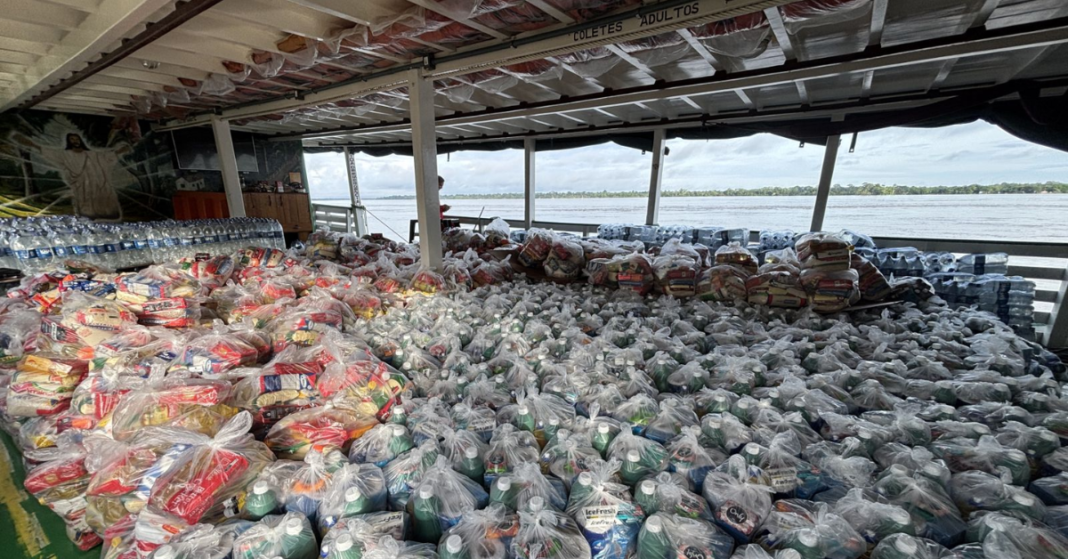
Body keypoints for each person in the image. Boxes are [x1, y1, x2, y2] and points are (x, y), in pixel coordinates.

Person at [15, 132, 130, 220]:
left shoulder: (92, 154)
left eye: (77, 139)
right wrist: (31, 144)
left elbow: (106, 157)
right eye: (72, 139)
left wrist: (121, 151)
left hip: (99, 184)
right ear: (69, 142)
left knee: (105, 205)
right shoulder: (66, 155)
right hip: (81, 185)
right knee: (87, 207)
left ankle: (108, 217)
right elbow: (49, 152)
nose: (75, 141)